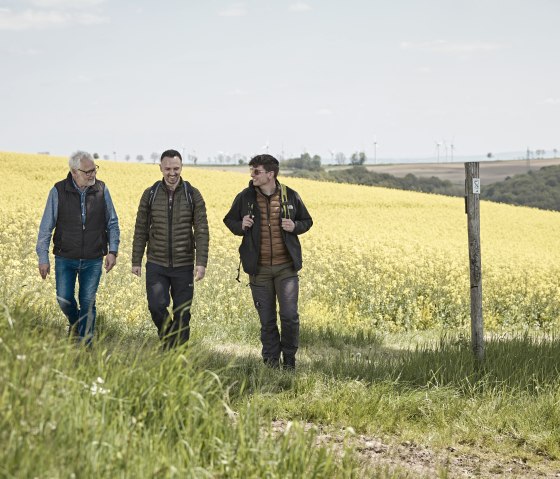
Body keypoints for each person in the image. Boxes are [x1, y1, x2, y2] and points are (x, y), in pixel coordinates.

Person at [223, 154, 313, 370]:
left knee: (290, 316)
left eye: (257, 171)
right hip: (259, 270)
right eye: (251, 170)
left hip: (286, 268)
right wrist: (241, 225)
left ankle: (289, 361)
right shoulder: (245, 197)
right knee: (267, 320)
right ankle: (271, 363)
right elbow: (229, 220)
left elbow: (307, 220)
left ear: (270, 174)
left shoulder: (290, 195)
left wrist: (295, 226)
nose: (252, 175)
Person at [36, 150, 120, 346]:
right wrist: (43, 257)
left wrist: (113, 250)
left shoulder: (101, 190)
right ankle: (76, 326)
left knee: (88, 302)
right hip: (65, 257)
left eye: (94, 170)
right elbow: (46, 227)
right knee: (64, 299)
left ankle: (85, 346)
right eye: (87, 171)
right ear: (74, 172)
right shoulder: (58, 191)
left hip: (93, 258)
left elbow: (113, 223)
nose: (93, 175)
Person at [132, 149, 209, 348]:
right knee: (156, 307)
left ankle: (178, 355)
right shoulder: (150, 194)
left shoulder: (193, 194)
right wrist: (136, 260)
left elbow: (201, 230)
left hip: (184, 264)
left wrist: (201, 263)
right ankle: (168, 341)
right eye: (167, 169)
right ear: (160, 168)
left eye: (176, 168)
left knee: (183, 312)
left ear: (182, 168)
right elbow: (141, 228)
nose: (172, 173)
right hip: (157, 262)